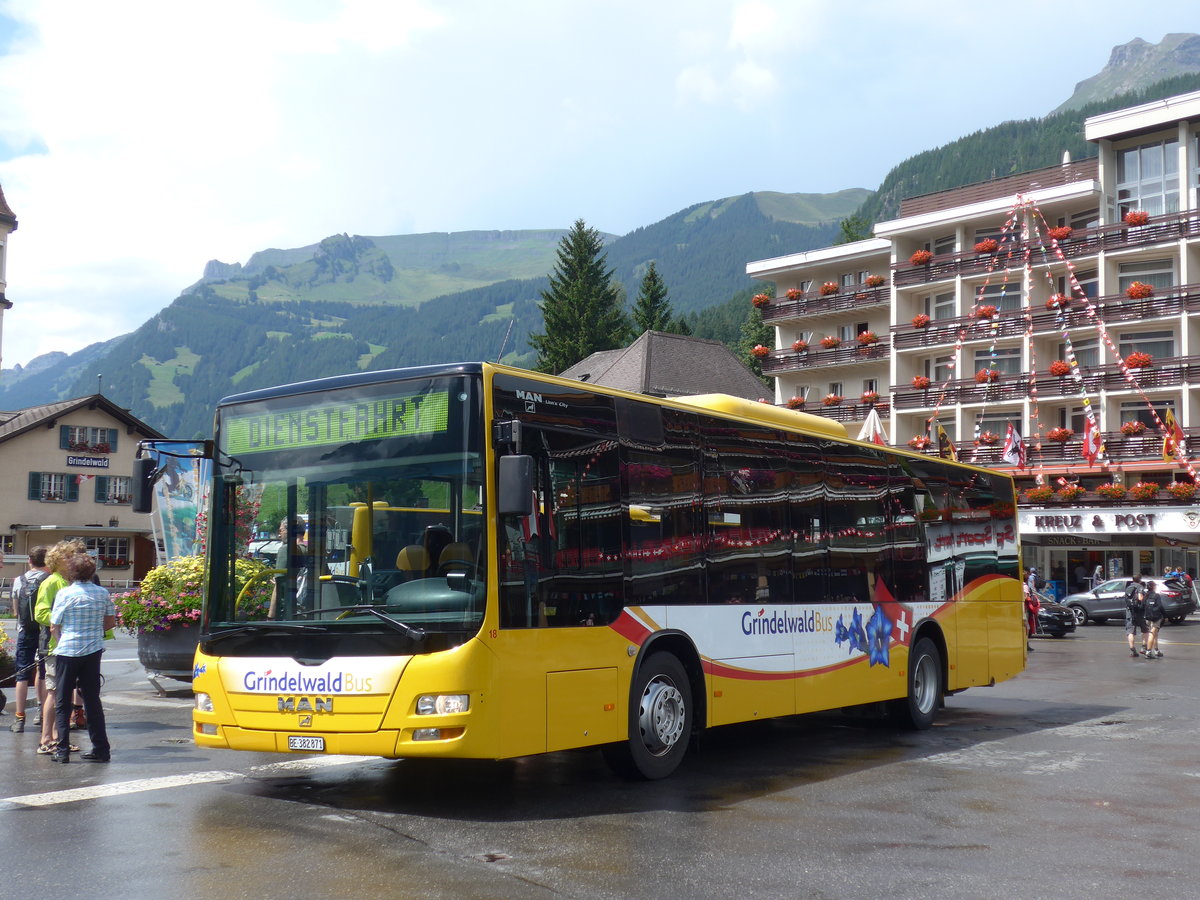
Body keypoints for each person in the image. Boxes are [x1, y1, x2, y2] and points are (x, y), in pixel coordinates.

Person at [48, 553, 115, 763]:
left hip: (68, 650)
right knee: (92, 700)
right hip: (93, 650)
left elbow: (54, 625)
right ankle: (101, 748)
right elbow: (110, 622)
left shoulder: (65, 594)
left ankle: (62, 750)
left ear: (71, 572)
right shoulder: (102, 593)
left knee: (62, 700)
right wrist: (95, 632)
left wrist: (60, 642)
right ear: (91, 572)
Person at [33, 540, 87, 756]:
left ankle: (57, 738)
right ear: (59, 560)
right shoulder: (52, 582)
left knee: (61, 692)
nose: (74, 560)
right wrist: (66, 622)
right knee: (54, 692)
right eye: (69, 556)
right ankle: (46, 739)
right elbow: (40, 613)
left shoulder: (66, 582)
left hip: (67, 645)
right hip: (55, 646)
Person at [8, 546, 50, 733]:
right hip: (44, 630)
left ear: (29, 561)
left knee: (22, 673)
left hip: (25, 630)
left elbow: (16, 610)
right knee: (43, 672)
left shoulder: (18, 580)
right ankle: (41, 711)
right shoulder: (50, 580)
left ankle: (19, 718)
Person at [1124, 573, 1148, 658]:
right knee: (1145, 629)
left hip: (1130, 611)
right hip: (1139, 611)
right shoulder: (1140, 587)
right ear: (1140, 580)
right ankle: (1143, 648)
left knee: (1131, 631)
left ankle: (1132, 650)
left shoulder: (1128, 587)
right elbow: (1140, 598)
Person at [1143, 580, 1165, 659]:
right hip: (1156, 617)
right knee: (1152, 634)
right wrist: (1164, 615)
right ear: (1153, 587)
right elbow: (1160, 606)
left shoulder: (1146, 596)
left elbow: (1142, 606)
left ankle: (1156, 650)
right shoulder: (1156, 596)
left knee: (1154, 634)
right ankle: (1148, 651)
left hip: (1147, 617)